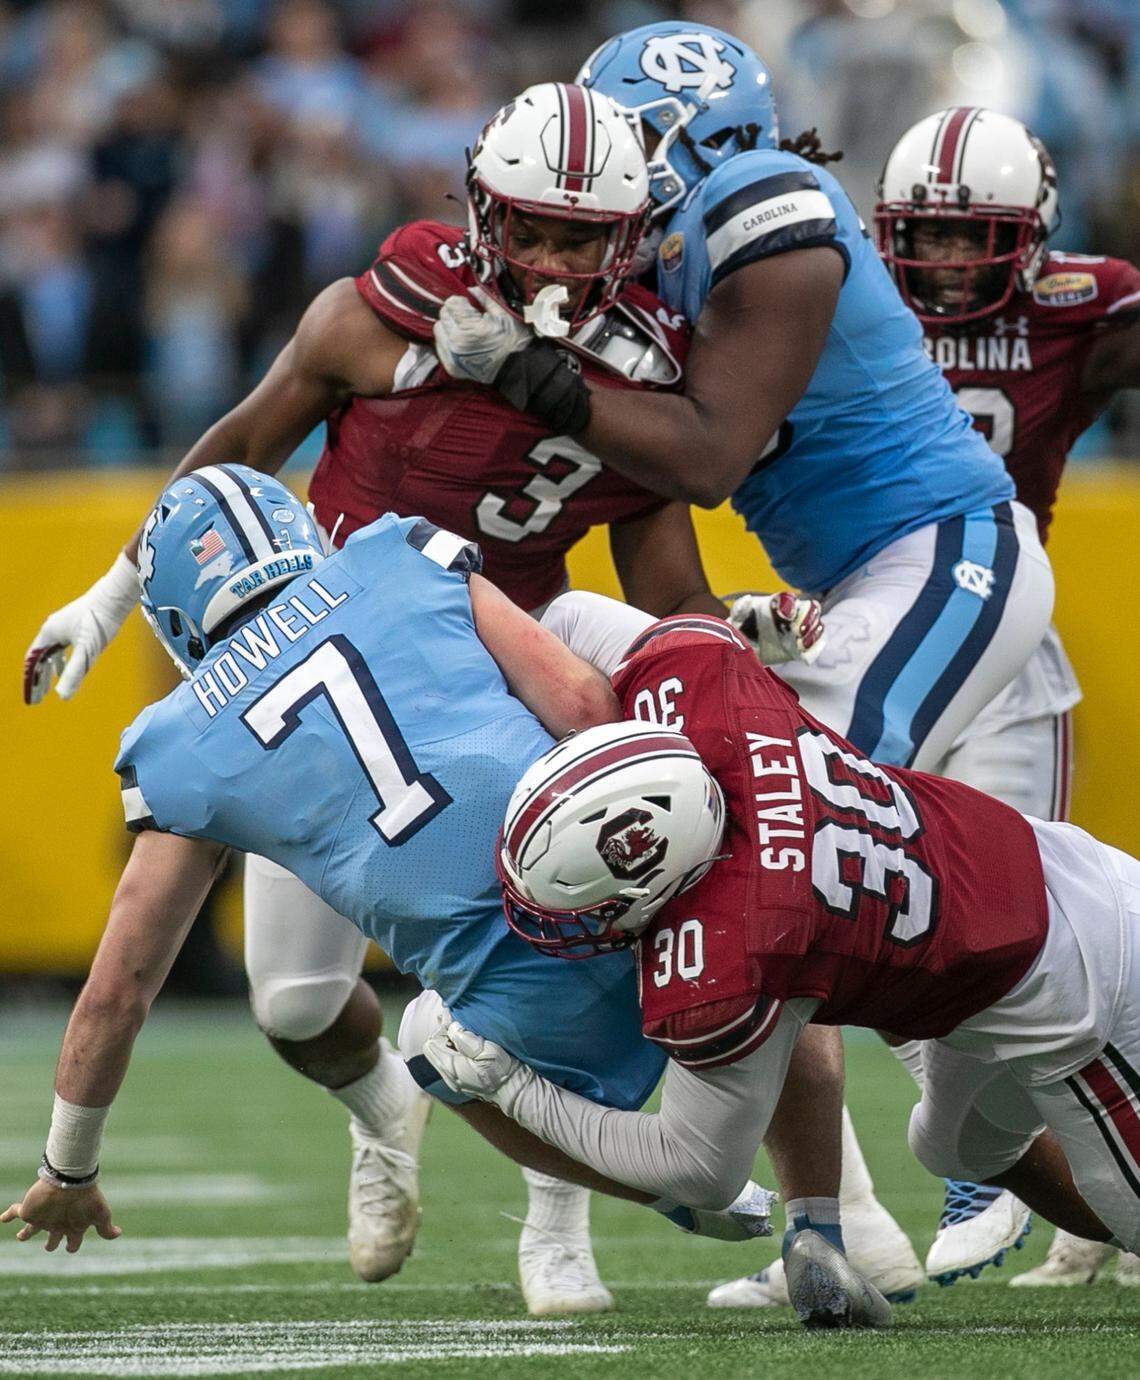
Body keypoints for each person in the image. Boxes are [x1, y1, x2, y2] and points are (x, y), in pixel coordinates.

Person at [19, 82, 826, 1314]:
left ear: (631, 238)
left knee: (603, 875)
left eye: (580, 235)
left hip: (510, 646)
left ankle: (600, 1221)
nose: (555, 259)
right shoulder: (373, 315)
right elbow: (235, 456)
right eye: (534, 229)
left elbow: (669, 583)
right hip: (335, 652)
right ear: (481, 213)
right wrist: (111, 591)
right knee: (292, 1004)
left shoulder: (640, 377)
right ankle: (383, 1113)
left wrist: (730, 631)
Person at [429, 22, 1055, 1293]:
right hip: (848, 585)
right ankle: (841, 1224)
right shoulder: (655, 244)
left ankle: (887, 1187)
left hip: (942, 556)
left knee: (776, 843)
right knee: (689, 796)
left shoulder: (771, 206)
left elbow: (707, 454)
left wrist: (535, 376)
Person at [3, 469, 792, 1282]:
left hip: (526, 1010)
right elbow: (587, 706)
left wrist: (68, 1169)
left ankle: (676, 1196)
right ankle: (830, 1222)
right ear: (298, 532)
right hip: (664, 902)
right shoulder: (399, 551)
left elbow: (117, 990)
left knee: (432, 1040)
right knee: (779, 916)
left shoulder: (180, 745)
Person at [415, 602, 1140, 1316]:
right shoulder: (703, 690)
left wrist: (509, 1086)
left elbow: (696, 1169)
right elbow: (570, 617)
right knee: (952, 1147)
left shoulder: (737, 937)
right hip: (1033, 893)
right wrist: (609, 750)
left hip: (1078, 987)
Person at [875, 106, 1140, 1286]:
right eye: (921, 239)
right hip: (884, 630)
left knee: (1026, 930)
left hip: (1005, 638)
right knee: (888, 925)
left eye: (968, 236)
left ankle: (1032, 1188)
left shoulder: (1082, 306)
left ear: (1031, 235)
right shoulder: (843, 308)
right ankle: (936, 1194)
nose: (942, 264)